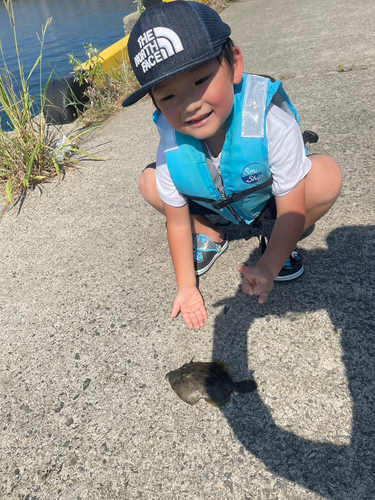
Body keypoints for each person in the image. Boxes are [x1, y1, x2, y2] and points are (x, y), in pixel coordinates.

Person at [122, 0, 342, 330]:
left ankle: (277, 243)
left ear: (234, 65)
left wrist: (266, 267)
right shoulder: (172, 143)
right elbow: (178, 222)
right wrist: (187, 286)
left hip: (268, 200)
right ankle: (211, 235)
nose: (190, 105)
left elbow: (294, 206)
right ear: (154, 101)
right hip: (215, 200)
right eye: (168, 97)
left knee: (327, 176)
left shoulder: (270, 124)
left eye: (201, 80)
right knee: (149, 183)